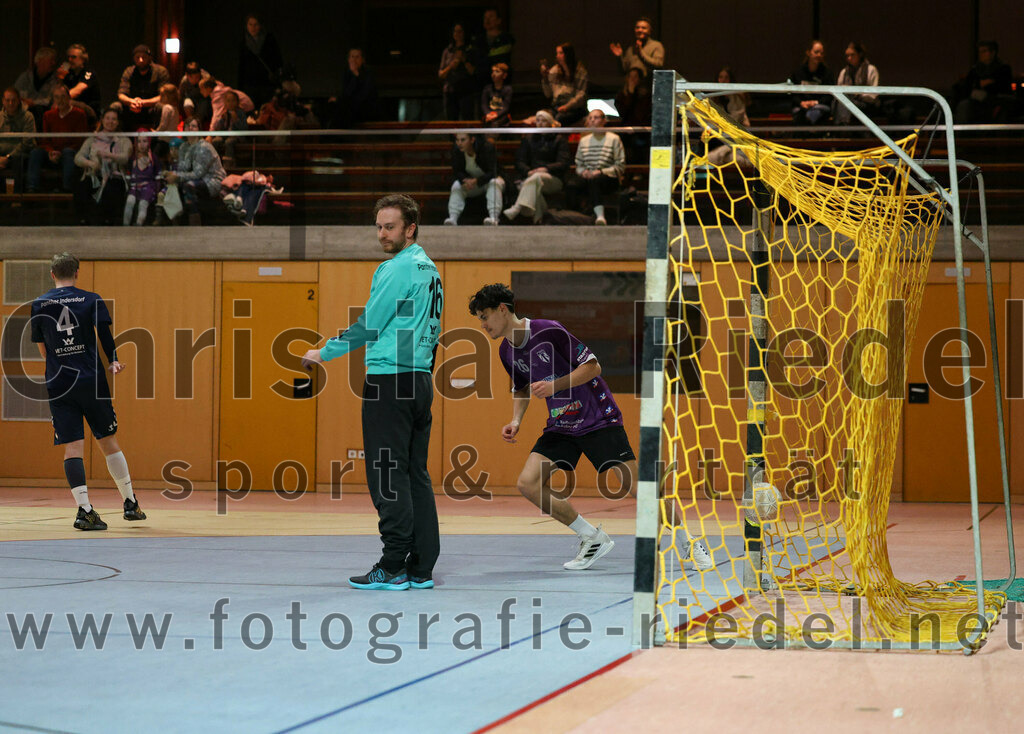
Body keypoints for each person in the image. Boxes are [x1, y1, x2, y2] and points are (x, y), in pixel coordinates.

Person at [469, 283, 714, 571]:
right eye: (479, 320)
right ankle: (591, 537)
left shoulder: (548, 330)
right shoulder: (506, 352)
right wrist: (515, 421)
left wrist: (554, 386)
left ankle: (689, 542)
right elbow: (521, 389)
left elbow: (593, 367)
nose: (483, 325)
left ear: (502, 309)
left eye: (485, 316)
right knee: (528, 483)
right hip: (561, 425)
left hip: (598, 418)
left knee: (636, 486)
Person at [301, 194, 443, 591]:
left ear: (410, 228)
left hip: (390, 381)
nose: (382, 234)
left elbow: (369, 325)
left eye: (390, 226)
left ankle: (393, 564)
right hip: (419, 380)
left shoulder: (395, 268)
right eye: (378, 226)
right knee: (415, 473)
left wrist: (323, 352)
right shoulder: (430, 269)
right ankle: (421, 566)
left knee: (386, 473)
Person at [30, 252, 146, 531]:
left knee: (72, 447)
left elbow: (43, 348)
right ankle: (130, 503)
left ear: (52, 274)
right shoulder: (91, 299)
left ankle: (84, 511)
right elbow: (104, 334)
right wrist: (114, 359)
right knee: (108, 440)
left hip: (59, 383)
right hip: (91, 381)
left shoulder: (39, 304)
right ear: (77, 273)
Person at [503, 109, 570, 224]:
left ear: (550, 123)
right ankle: (539, 219)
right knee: (534, 184)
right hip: (531, 177)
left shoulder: (560, 140)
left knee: (533, 179)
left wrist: (546, 168)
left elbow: (563, 163)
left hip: (553, 179)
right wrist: (528, 172)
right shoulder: (529, 139)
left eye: (543, 121)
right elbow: (519, 161)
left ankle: (517, 207)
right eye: (538, 120)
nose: (540, 123)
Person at [565, 108, 624, 224]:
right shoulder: (584, 140)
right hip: (588, 175)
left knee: (595, 181)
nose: (592, 120)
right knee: (571, 184)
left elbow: (620, 166)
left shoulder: (614, 139)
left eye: (596, 118)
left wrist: (601, 171)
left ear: (604, 120)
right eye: (590, 118)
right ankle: (574, 217)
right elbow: (579, 163)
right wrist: (583, 172)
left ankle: (600, 216)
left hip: (608, 177)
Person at [73, 107, 130, 225]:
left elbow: (125, 158)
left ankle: (105, 221)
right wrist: (90, 163)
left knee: (110, 188)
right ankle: (84, 221)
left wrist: (109, 155)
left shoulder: (124, 140)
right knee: (82, 186)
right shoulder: (92, 139)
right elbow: (78, 157)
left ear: (118, 122)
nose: (110, 122)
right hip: (94, 174)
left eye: (114, 119)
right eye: (108, 118)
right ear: (102, 120)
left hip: (114, 176)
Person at [27, 84, 89, 193]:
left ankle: (67, 190)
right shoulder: (48, 115)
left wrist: (60, 152)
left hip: (69, 152)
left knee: (68, 152)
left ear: (69, 98)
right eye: (56, 97)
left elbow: (80, 140)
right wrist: (50, 151)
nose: (60, 100)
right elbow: (45, 139)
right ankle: (32, 188)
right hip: (52, 153)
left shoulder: (79, 114)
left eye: (63, 97)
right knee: (36, 152)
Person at [165, 117, 226, 225]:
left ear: (199, 129)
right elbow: (183, 168)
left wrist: (177, 176)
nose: (190, 128)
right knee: (171, 183)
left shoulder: (204, 147)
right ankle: (174, 220)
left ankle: (195, 223)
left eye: (194, 126)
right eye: (187, 126)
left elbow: (198, 174)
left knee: (189, 185)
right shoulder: (184, 147)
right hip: (197, 178)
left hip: (211, 180)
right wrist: (173, 172)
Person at [445, 131, 504, 226]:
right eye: (457, 140)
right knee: (456, 185)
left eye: (463, 140)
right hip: (472, 185)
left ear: (472, 140)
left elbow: (493, 172)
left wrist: (477, 180)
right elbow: (457, 171)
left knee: (494, 183)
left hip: (490, 180)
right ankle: (453, 218)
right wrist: (464, 180)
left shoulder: (486, 148)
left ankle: (494, 217)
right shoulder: (456, 150)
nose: (459, 143)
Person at [954, 40, 1014, 124]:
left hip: (996, 100)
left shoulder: (1003, 68)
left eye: (983, 51)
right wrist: (980, 84)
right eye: (980, 52)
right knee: (964, 106)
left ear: (992, 53)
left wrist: (984, 85)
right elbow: (968, 86)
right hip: (976, 101)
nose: (981, 55)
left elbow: (1002, 86)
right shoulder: (975, 69)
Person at [117, 44, 171, 132]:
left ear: (150, 58)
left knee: (163, 107)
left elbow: (164, 96)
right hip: (133, 107)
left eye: (144, 57)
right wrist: (131, 102)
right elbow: (121, 94)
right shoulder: (129, 71)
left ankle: (158, 139)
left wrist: (143, 103)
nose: (141, 60)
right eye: (137, 57)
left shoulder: (161, 71)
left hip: (152, 108)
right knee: (116, 107)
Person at [238, 13, 284, 108]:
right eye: (250, 24)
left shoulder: (269, 39)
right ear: (246, 26)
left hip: (266, 84)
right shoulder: (243, 41)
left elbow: (277, 60)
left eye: (256, 24)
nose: (253, 27)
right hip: (250, 84)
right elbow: (241, 65)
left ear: (260, 26)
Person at [541, 42, 589, 126]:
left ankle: (558, 138)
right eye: (557, 53)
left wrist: (567, 106)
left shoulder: (580, 71)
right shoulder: (554, 70)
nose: (557, 56)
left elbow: (581, 95)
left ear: (568, 54)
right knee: (544, 117)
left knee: (560, 119)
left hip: (575, 108)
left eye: (561, 53)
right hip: (557, 107)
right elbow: (548, 94)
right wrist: (545, 79)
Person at [833, 42, 880, 124]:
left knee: (845, 102)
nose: (849, 58)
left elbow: (873, 95)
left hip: (866, 104)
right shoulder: (844, 72)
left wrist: (856, 93)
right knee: (840, 102)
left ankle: (843, 128)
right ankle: (843, 126)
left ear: (860, 54)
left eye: (852, 55)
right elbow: (838, 91)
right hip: (848, 102)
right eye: (847, 56)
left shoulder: (871, 69)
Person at [0, 87, 37, 191]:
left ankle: (17, 199)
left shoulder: (28, 117)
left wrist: (8, 157)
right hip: (1, 155)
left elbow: (27, 142)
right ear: (3, 101)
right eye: (7, 100)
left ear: (19, 101)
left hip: (21, 155)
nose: (10, 103)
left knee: (18, 162)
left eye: (13, 100)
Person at [439, 23, 477, 120]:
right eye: (455, 31)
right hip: (450, 90)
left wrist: (464, 60)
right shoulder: (448, 51)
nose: (457, 34)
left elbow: (473, 72)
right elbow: (441, 74)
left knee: (467, 118)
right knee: (451, 119)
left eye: (460, 31)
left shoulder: (470, 50)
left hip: (465, 90)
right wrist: (451, 66)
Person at [15, 46, 60, 128]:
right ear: (40, 61)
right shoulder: (26, 77)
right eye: (51, 60)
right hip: (25, 110)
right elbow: (16, 94)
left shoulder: (55, 80)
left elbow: (49, 100)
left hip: (43, 112)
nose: (53, 63)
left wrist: (33, 102)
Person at [609, 17, 664, 84]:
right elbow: (623, 71)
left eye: (644, 28)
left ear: (650, 31)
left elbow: (658, 64)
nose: (640, 30)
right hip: (631, 84)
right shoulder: (631, 48)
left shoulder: (656, 45)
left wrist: (641, 53)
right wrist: (619, 57)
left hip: (649, 84)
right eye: (637, 28)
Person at [331, 48, 378, 128]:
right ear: (348, 59)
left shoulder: (368, 73)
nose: (354, 60)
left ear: (362, 60)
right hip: (349, 107)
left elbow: (364, 94)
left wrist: (356, 74)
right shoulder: (347, 73)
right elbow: (346, 93)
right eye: (352, 57)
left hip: (364, 107)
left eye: (357, 57)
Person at [790, 40, 833, 125]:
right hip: (801, 107)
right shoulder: (798, 72)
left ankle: (807, 123)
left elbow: (829, 96)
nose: (819, 55)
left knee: (816, 113)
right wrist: (801, 103)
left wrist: (816, 102)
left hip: (819, 106)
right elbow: (793, 94)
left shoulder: (827, 73)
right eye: (816, 52)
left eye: (821, 53)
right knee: (799, 113)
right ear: (808, 53)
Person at [123, 131, 160, 225]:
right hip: (134, 187)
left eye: (145, 141)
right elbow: (128, 174)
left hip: (148, 187)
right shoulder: (132, 158)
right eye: (139, 141)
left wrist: (157, 190)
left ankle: (139, 225)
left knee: (143, 204)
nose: (142, 144)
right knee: (129, 202)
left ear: (149, 142)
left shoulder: (153, 159)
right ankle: (125, 226)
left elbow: (158, 176)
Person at [473, 7, 515, 86]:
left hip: (501, 83)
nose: (487, 20)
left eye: (491, 17)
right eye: (485, 18)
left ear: (498, 20)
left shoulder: (506, 39)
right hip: (482, 83)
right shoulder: (479, 40)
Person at [61, 44, 102, 120]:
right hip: (71, 107)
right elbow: (59, 90)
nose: (70, 60)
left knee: (67, 103)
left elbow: (77, 91)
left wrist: (60, 99)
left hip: (88, 109)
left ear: (83, 59)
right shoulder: (68, 74)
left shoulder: (89, 73)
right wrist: (60, 78)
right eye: (68, 57)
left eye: (73, 57)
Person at [481, 62, 512, 127]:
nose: (494, 74)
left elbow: (506, 107)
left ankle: (490, 138)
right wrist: (488, 114)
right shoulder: (487, 88)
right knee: (487, 122)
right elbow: (484, 104)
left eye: (497, 71)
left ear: (504, 75)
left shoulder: (508, 89)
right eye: (493, 72)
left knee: (495, 123)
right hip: (489, 115)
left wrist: (496, 115)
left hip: (502, 116)